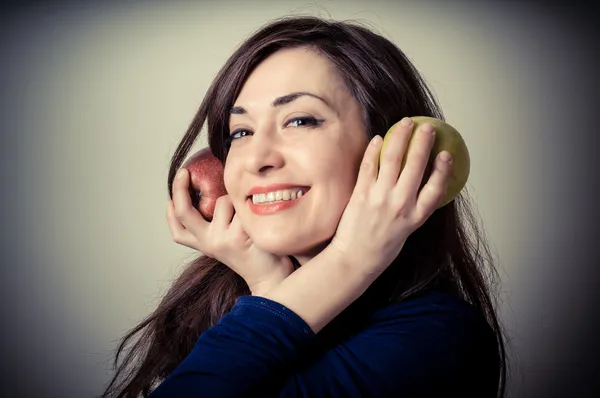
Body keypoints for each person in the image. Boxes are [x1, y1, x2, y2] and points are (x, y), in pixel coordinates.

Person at [102, 16, 507, 398]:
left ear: (392, 152)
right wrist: (267, 284)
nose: (258, 157)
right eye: (240, 131)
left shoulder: (439, 342)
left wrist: (351, 260)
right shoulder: (219, 304)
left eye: (300, 121)